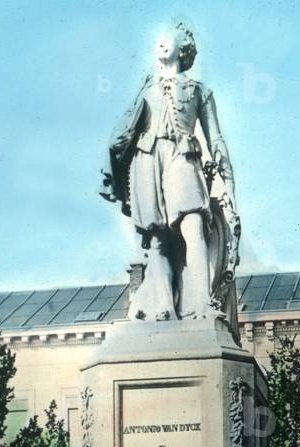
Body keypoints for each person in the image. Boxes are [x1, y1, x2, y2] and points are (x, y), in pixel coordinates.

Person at [101, 23, 240, 328]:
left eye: (169, 40)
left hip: (183, 157)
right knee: (157, 238)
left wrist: (229, 182)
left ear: (184, 49)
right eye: (159, 41)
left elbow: (215, 137)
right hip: (147, 160)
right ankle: (163, 305)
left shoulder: (199, 90)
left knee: (193, 224)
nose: (162, 44)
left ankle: (202, 302)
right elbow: (125, 129)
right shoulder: (146, 87)